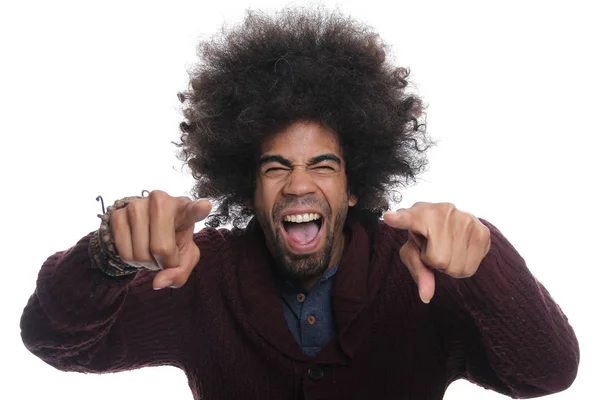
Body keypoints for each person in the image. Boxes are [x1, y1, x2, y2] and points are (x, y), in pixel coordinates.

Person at [20, 7, 579, 400]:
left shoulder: (420, 273)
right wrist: (108, 255)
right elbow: (53, 340)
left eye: (323, 165)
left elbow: (548, 373)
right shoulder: (200, 277)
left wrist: (484, 263)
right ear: (249, 188)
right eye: (276, 166)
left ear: (355, 185)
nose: (298, 185)